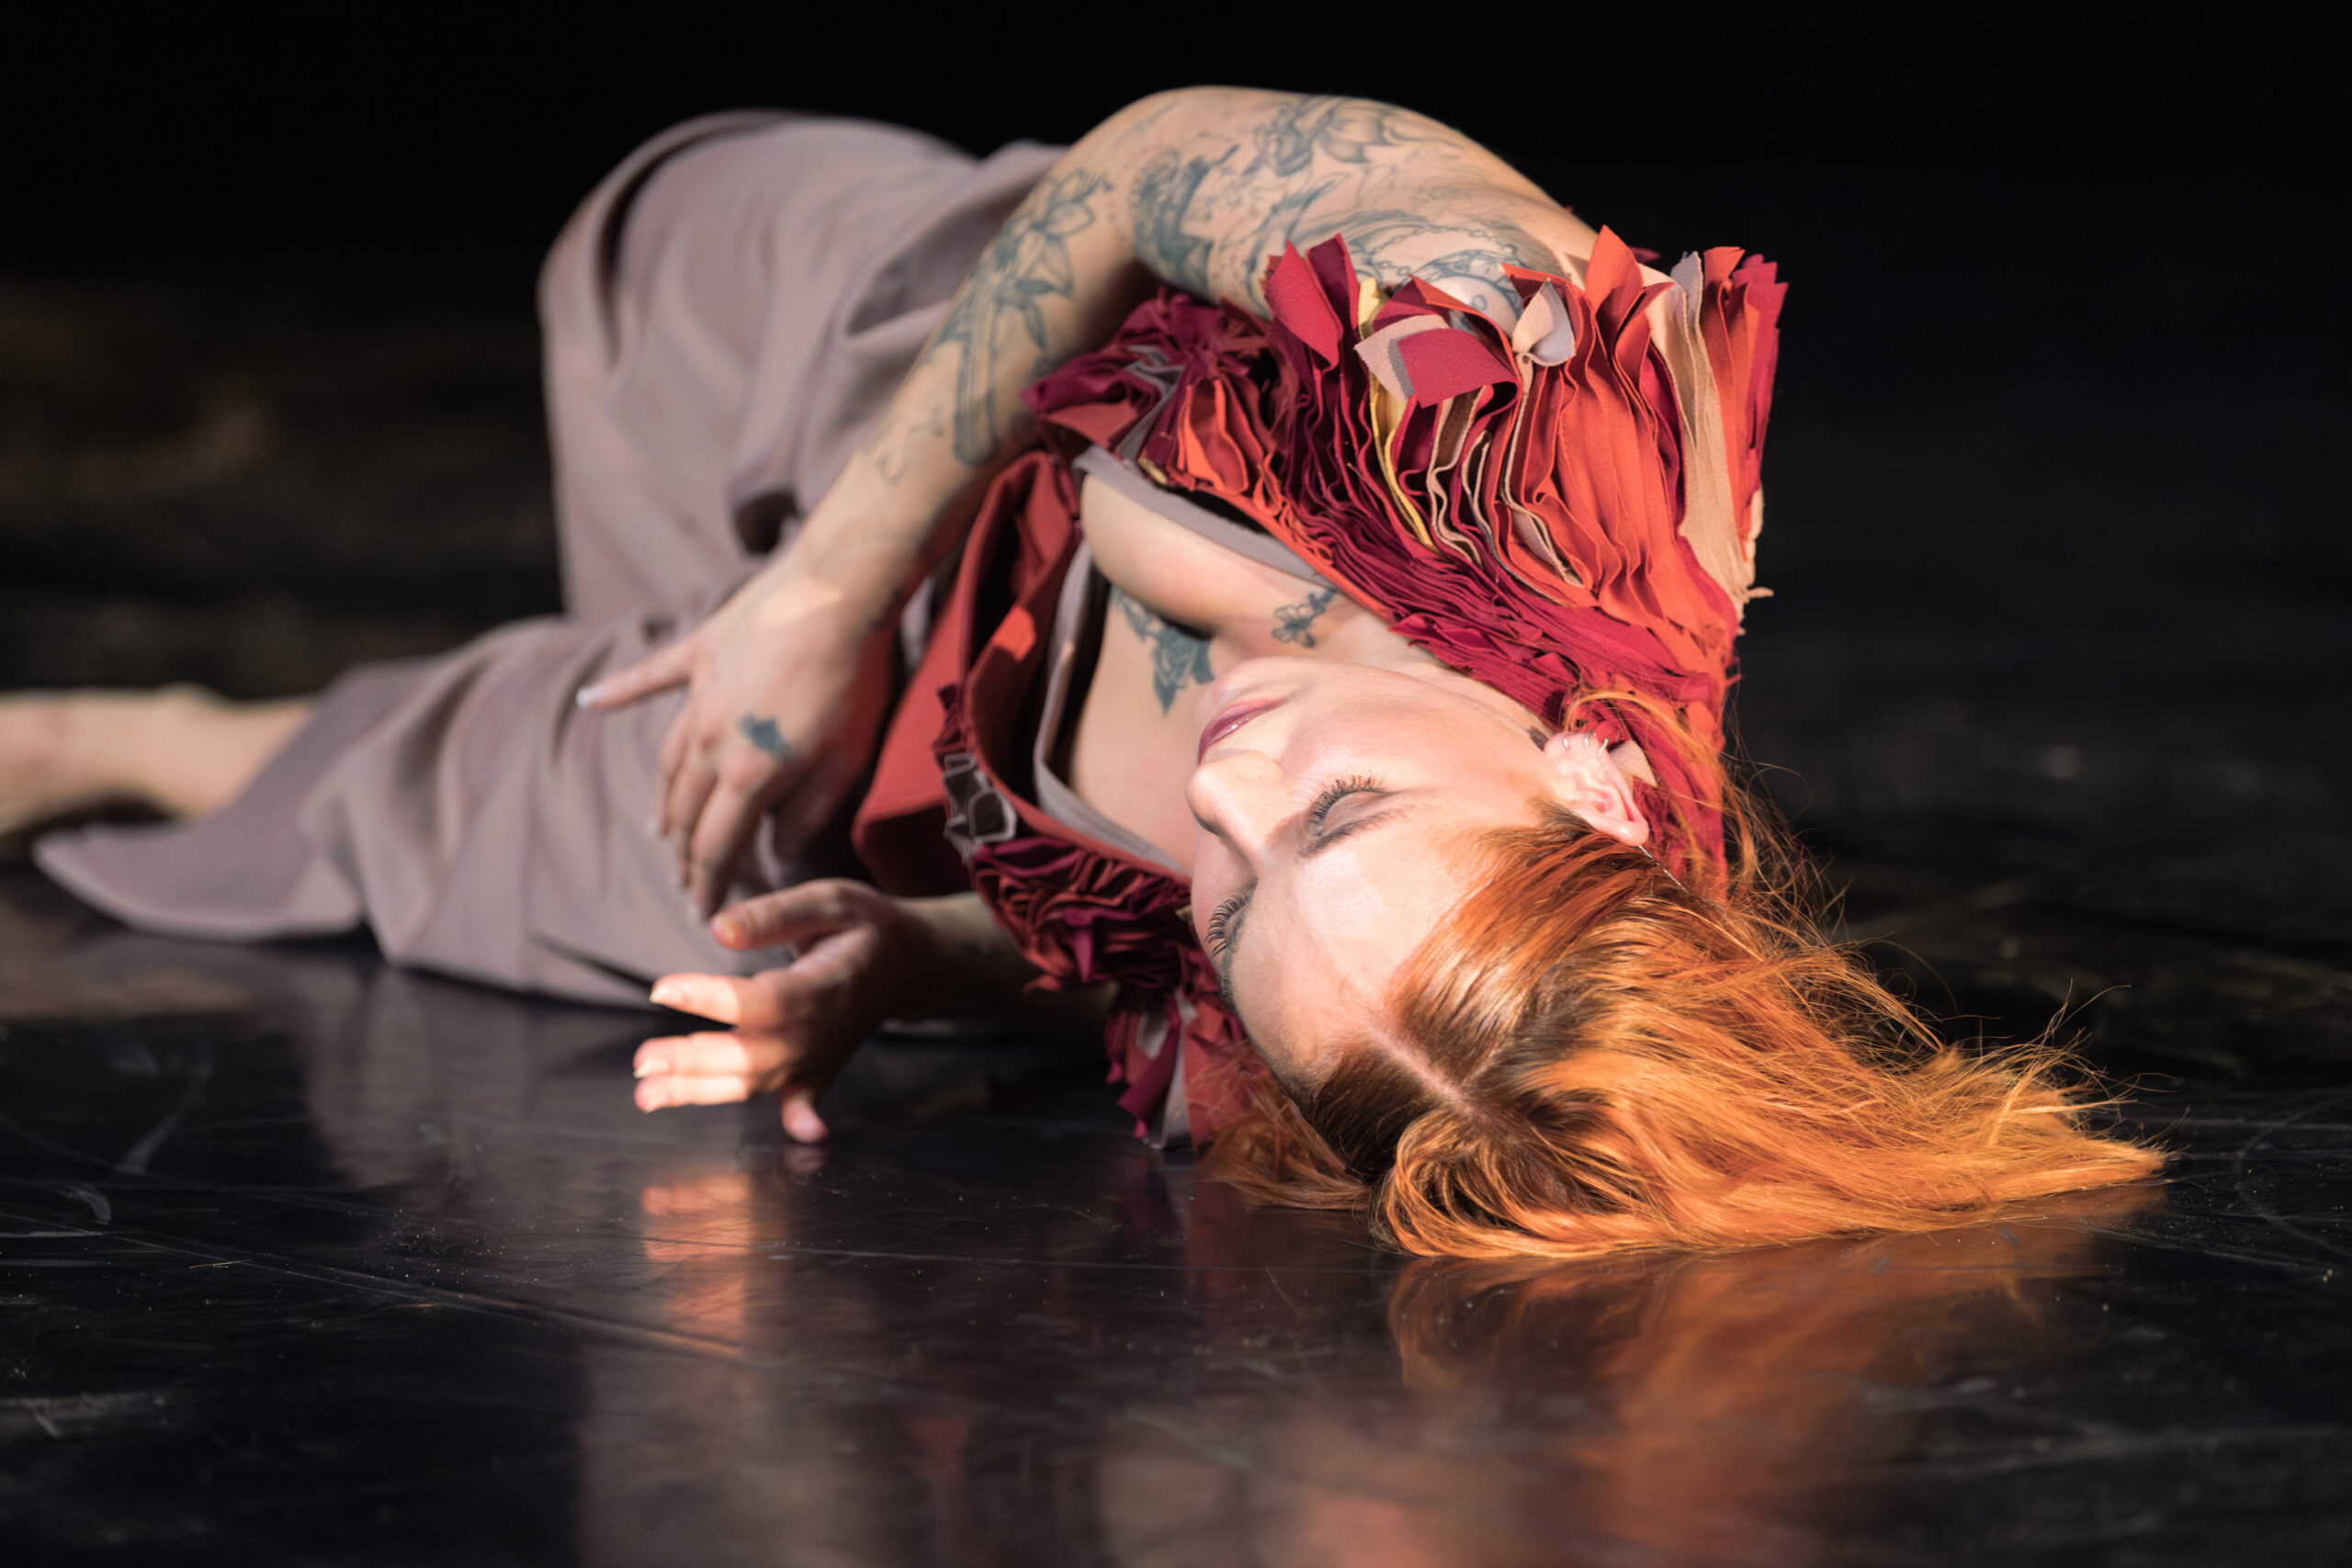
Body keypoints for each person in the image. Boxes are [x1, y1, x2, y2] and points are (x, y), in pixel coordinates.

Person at [2, 89, 2160, 1257]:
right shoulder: (1518, 418)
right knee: (646, 245)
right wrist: (816, 591)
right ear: (1592, 787)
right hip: (880, 379)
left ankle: (135, 738)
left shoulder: (1368, 1026)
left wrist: (908, 962)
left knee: (528, 842)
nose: (1225, 786)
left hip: (903, 761)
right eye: (1333, 810)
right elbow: (1145, 165)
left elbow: (1117, 992)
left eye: (1234, 889)